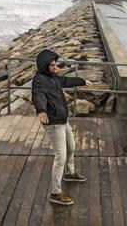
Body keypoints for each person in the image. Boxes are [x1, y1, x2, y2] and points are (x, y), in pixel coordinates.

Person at [31, 49, 93, 206]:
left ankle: (70, 173)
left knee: (71, 147)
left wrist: (82, 81)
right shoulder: (39, 80)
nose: (55, 67)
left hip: (62, 120)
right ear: (45, 65)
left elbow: (66, 81)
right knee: (60, 156)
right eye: (52, 65)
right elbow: (38, 95)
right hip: (53, 123)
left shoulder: (53, 78)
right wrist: (41, 110)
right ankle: (55, 193)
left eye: (55, 64)